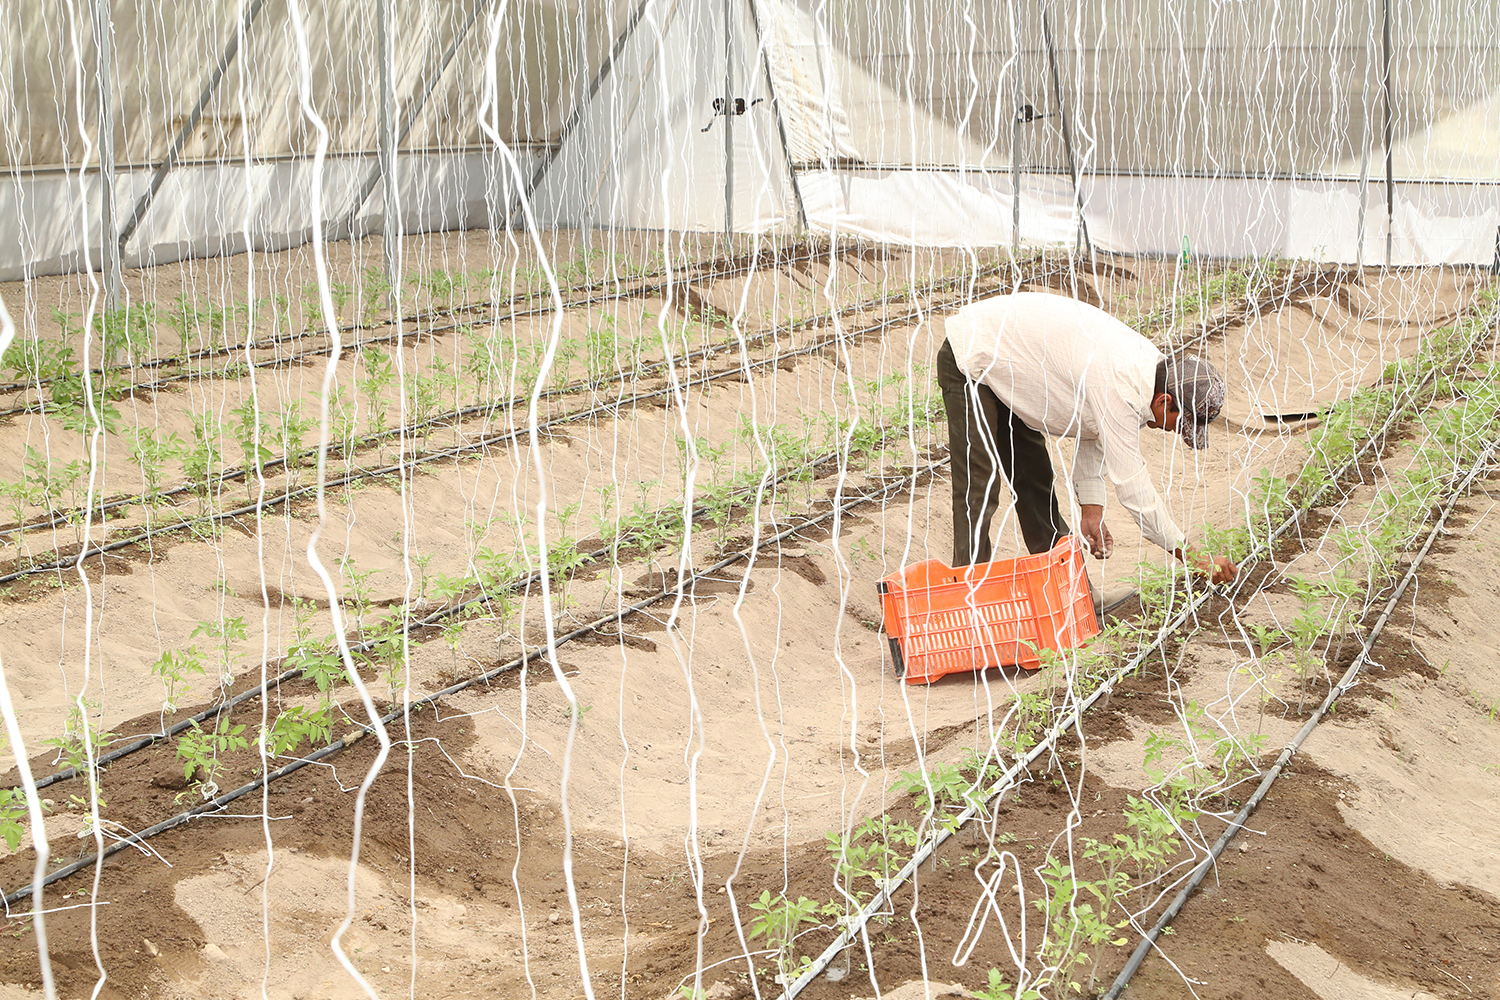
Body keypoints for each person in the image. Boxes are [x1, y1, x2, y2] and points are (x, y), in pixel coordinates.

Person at [937, 290, 1236, 584]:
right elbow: (1134, 490)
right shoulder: (1121, 383)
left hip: (1012, 362)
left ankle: (1069, 590)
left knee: (1034, 478)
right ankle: (966, 594)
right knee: (979, 485)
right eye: (1176, 423)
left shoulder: (1148, 374)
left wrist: (1091, 508)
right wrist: (1193, 557)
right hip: (973, 354)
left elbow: (1093, 426)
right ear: (1164, 401)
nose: (1172, 431)